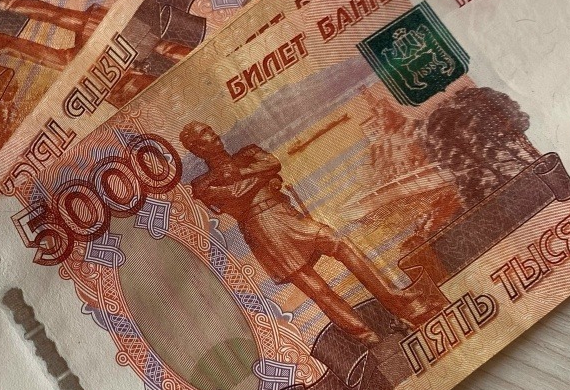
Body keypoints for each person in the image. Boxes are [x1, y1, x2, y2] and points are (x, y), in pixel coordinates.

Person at [180, 122, 445, 345]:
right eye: (204, 134)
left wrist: (247, 173)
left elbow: (273, 163)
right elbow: (238, 194)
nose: (212, 134)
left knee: (339, 243)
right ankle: (364, 335)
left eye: (210, 129)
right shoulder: (202, 184)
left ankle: (398, 301)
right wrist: (264, 177)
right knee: (314, 286)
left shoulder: (247, 153)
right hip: (263, 231)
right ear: (197, 148)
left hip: (284, 214)